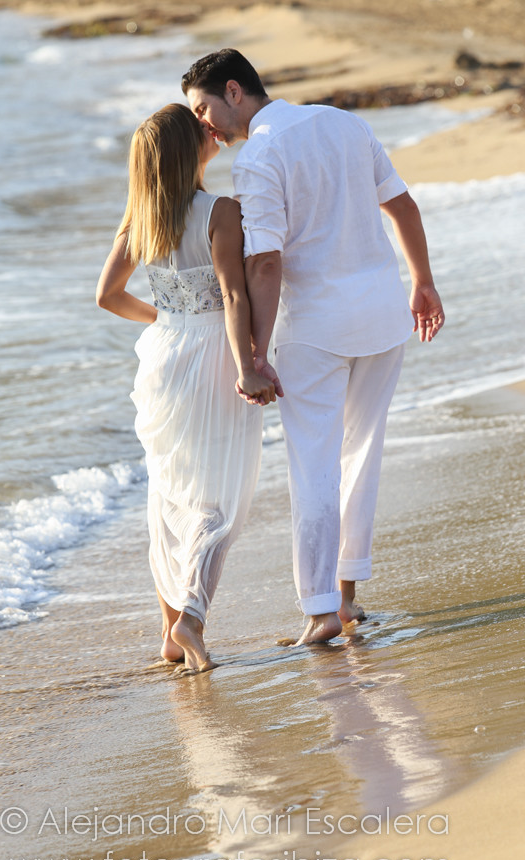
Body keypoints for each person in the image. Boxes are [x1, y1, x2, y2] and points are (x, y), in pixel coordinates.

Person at [182, 49, 445, 645]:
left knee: (314, 466)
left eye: (202, 108)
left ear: (233, 90)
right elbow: (401, 205)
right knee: (362, 454)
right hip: (382, 316)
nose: (203, 124)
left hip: (316, 330)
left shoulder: (259, 154)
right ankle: (345, 597)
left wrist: (256, 353)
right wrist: (423, 282)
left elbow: (266, 262)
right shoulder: (343, 122)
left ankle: (321, 611)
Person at [96, 103, 276, 672]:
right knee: (221, 499)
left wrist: (166, 318)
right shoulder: (220, 211)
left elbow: (107, 296)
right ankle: (192, 618)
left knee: (171, 496)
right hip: (213, 356)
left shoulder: (141, 219)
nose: (209, 129)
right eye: (198, 129)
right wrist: (247, 366)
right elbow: (234, 295)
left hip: (163, 356)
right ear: (184, 151)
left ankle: (170, 633)